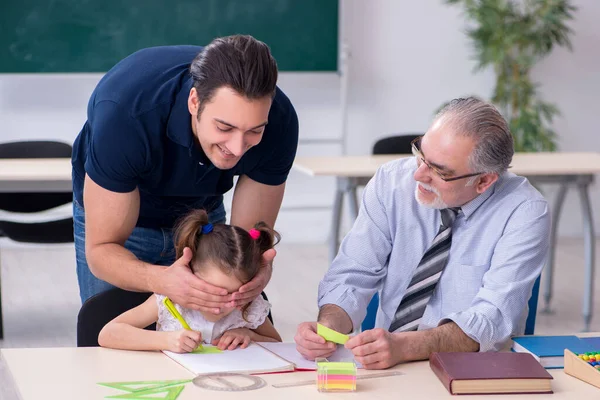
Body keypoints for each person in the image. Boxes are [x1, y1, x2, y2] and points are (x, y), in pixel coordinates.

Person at [294, 97, 551, 369]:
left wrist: (406, 346)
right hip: (387, 366)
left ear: (483, 181)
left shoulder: (525, 211)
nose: (418, 175)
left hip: (474, 370)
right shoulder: (392, 183)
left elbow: (493, 317)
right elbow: (354, 273)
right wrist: (327, 329)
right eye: (420, 155)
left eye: (439, 171)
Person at [71, 35, 298, 316]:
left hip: (202, 211)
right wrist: (161, 280)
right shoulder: (126, 116)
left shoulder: (280, 122)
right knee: (110, 328)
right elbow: (103, 251)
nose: (238, 148)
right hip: (124, 215)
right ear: (194, 101)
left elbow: (248, 238)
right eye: (224, 128)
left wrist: (258, 270)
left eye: (254, 131)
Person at [99, 209, 282, 352]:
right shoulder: (170, 301)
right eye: (212, 291)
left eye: (234, 295)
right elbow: (108, 334)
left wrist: (248, 334)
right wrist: (167, 341)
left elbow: (277, 344)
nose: (219, 305)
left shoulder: (248, 307)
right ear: (190, 274)